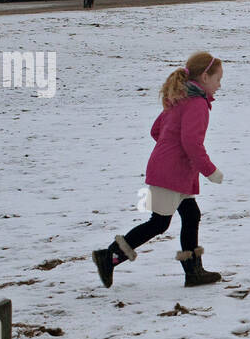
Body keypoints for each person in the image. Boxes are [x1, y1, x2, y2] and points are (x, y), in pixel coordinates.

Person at [93, 52, 225, 288]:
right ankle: (110, 256)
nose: (219, 85)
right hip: (171, 174)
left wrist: (169, 151)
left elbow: (157, 131)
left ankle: (194, 271)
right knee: (159, 223)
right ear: (205, 77)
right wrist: (210, 170)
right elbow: (192, 144)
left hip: (173, 171)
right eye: (217, 79)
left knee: (191, 215)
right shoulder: (196, 104)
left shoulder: (181, 98)